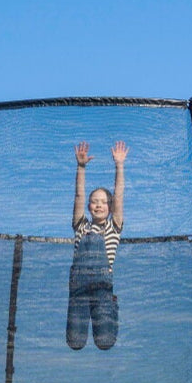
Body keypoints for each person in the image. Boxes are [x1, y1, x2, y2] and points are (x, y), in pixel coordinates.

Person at [66, 140, 127, 350]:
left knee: (105, 342)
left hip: (103, 289)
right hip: (79, 289)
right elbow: (78, 195)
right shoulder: (80, 226)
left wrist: (119, 166)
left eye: (103, 201)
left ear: (110, 208)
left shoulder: (113, 227)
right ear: (89, 207)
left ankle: (112, 305)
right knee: (74, 342)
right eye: (94, 201)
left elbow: (118, 195)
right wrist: (81, 167)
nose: (98, 204)